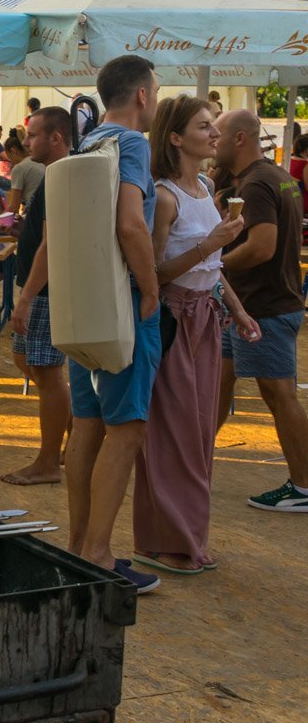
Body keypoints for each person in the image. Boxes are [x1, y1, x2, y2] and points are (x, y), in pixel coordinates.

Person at [132, 96, 256, 575]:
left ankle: (181, 540)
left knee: (201, 434)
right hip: (175, 320)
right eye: (204, 126)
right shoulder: (164, 196)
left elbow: (214, 267)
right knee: (175, 436)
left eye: (214, 126)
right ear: (176, 137)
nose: (215, 134)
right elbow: (154, 273)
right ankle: (171, 544)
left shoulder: (204, 186)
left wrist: (239, 311)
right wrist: (211, 242)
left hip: (207, 318)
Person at [63, 55, 163, 594]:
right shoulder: (132, 144)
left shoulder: (87, 141)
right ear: (142, 94)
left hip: (82, 297)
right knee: (127, 428)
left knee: (87, 424)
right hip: (123, 299)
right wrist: (151, 288)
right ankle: (99, 554)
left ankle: (80, 546)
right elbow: (131, 222)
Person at [215, 108, 308, 512]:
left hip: (264, 308)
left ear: (239, 138)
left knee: (279, 395)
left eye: (216, 134)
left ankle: (304, 487)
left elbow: (262, 246)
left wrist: (211, 265)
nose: (211, 142)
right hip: (256, 305)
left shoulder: (255, 184)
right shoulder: (279, 176)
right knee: (217, 381)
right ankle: (192, 461)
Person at [6, 107, 74, 487]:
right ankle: (75, 437)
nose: (26, 142)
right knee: (25, 359)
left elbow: (53, 244)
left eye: (32, 135)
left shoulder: (59, 175)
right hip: (40, 285)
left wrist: (27, 297)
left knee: (47, 374)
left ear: (56, 138)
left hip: (45, 290)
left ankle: (48, 462)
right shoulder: (54, 175)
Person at [3, 131, 46, 214]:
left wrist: (1, 220)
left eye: (9, 157)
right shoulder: (39, 160)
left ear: (13, 151)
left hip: (36, 212)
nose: (10, 162)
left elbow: (14, 207)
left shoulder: (19, 168)